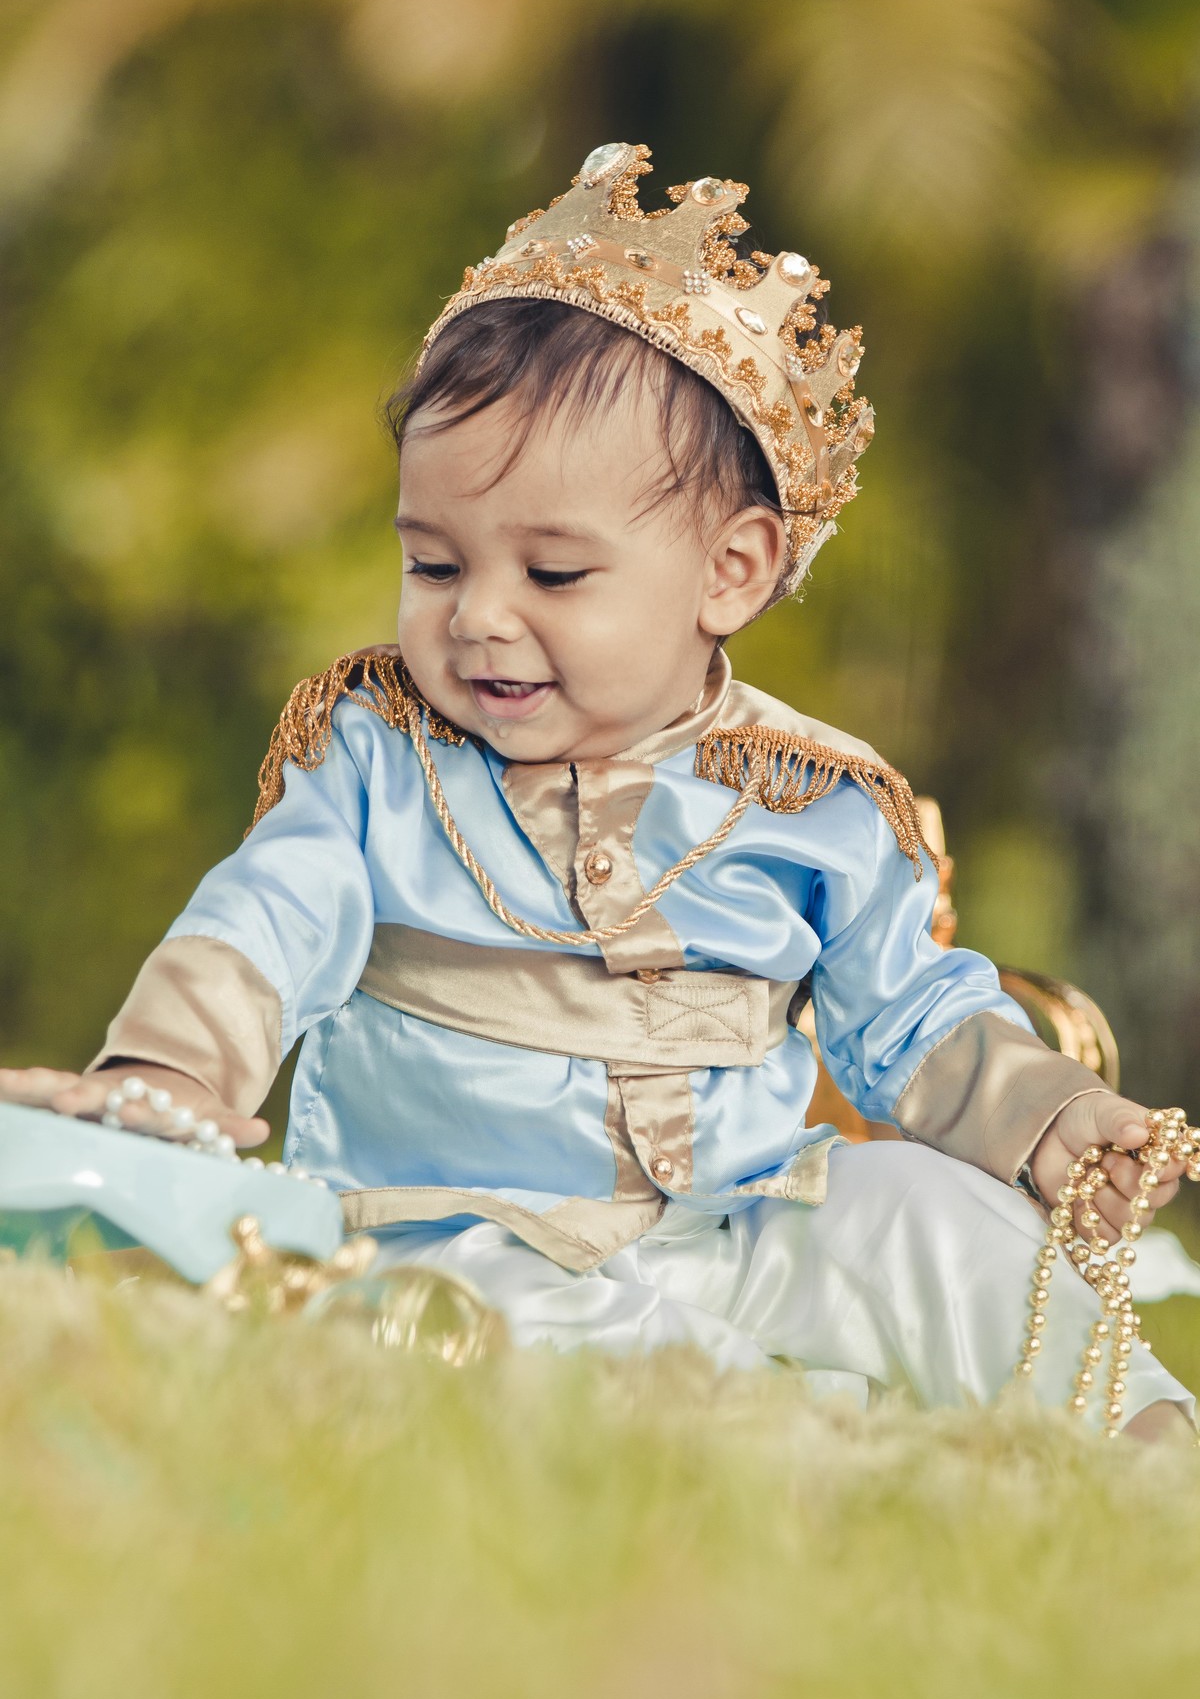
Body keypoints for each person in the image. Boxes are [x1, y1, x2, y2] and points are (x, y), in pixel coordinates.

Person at [1, 142, 1193, 1442]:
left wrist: (1049, 1115)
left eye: (555, 577)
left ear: (730, 574)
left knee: (930, 1216)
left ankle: (1129, 1432)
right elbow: (265, 919)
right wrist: (169, 1073)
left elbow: (913, 1024)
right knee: (496, 1336)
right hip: (451, 1230)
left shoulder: (813, 803)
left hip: (743, 1219)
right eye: (436, 565)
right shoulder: (378, 761)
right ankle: (783, 1450)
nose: (481, 622)